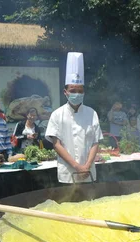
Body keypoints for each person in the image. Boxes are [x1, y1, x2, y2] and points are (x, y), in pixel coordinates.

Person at [45, 52, 102, 183]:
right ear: (65, 92)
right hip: (68, 173)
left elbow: (95, 142)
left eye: (80, 91)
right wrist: (77, 166)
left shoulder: (91, 113)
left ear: (84, 92)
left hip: (88, 173)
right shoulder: (57, 114)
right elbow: (57, 145)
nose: (77, 94)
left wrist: (86, 166)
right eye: (73, 90)